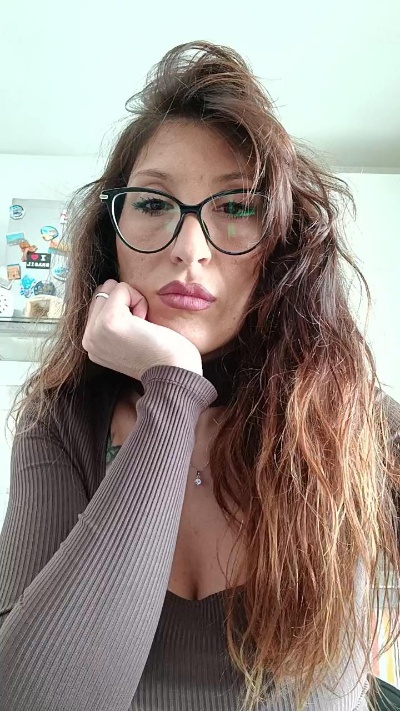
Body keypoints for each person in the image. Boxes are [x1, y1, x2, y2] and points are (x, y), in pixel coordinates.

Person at [0, 41, 399, 711]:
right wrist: (173, 388)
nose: (190, 249)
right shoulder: (59, 424)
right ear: (111, 235)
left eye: (236, 208)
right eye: (153, 203)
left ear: (282, 245)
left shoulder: (363, 424)